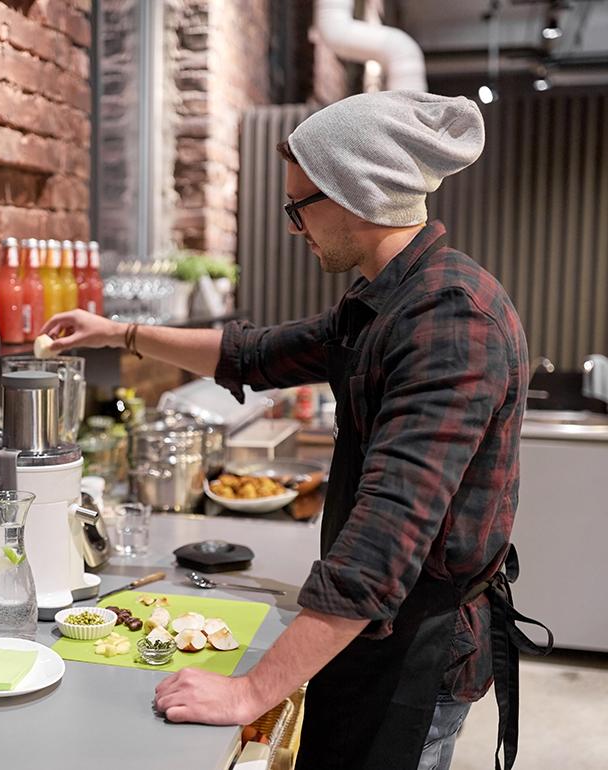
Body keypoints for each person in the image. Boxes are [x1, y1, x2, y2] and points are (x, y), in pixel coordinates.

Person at [41, 91, 551, 770]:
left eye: (297, 207)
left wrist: (252, 690)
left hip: (416, 650)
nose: (292, 228)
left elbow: (383, 542)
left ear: (354, 193)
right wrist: (118, 332)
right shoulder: (383, 301)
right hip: (372, 634)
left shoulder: (448, 321)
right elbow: (252, 354)